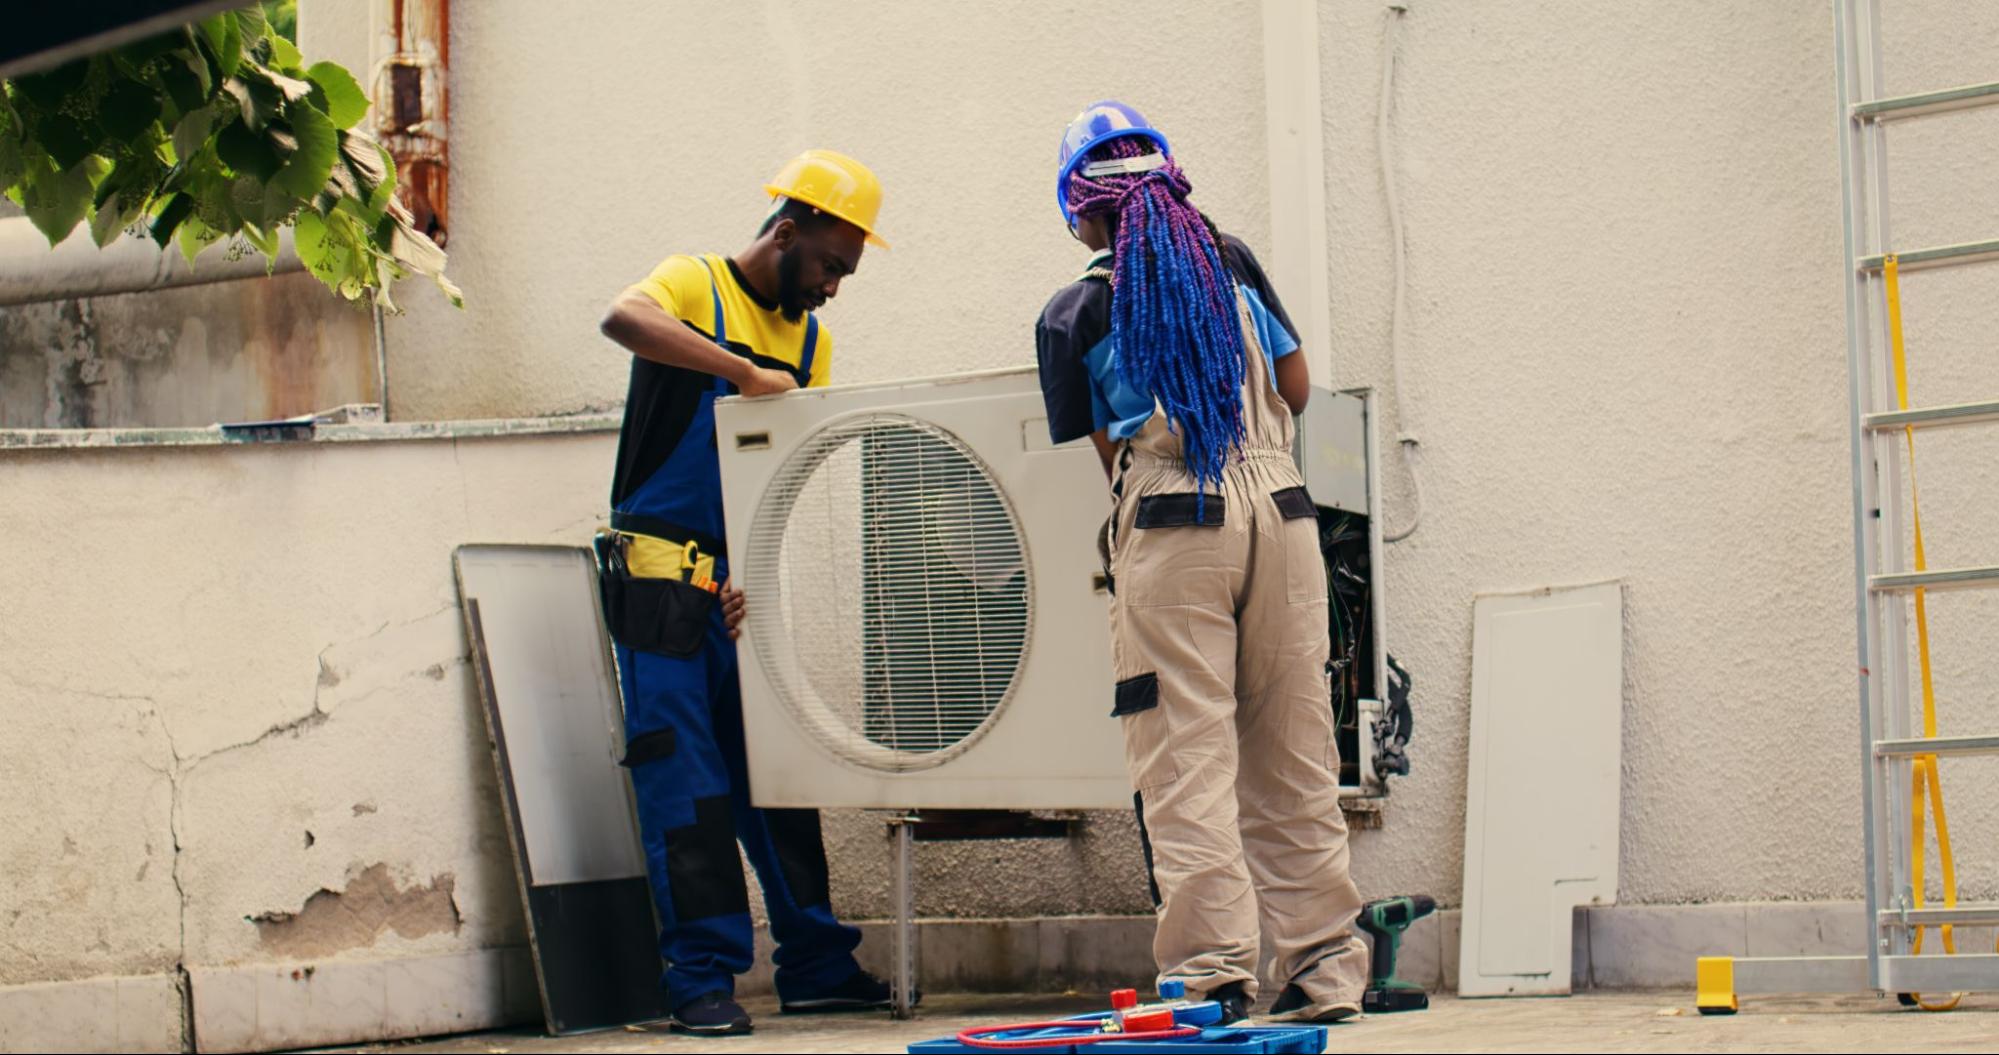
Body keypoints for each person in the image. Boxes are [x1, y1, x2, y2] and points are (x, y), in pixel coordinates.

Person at [1033, 102, 1369, 1024]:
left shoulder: (1072, 311)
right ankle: (1322, 970)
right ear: (1170, 180)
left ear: (1078, 210)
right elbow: (1296, 389)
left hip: (1175, 515)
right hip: (1284, 508)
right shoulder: (1234, 263)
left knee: (1186, 754)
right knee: (1294, 747)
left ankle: (1213, 976)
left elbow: (1109, 455)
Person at [595, 149, 898, 1036]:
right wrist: (740, 373)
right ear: (787, 230)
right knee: (684, 785)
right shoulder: (695, 284)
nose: (836, 287)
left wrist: (746, 574)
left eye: (847, 273)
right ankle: (699, 979)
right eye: (832, 265)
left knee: (775, 778)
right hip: (656, 578)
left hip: (734, 583)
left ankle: (815, 962)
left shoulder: (814, 343)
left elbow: (784, 476)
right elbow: (622, 319)